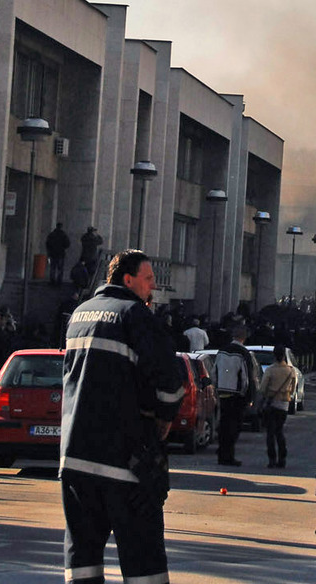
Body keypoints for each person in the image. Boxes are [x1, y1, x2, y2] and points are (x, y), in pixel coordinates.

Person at [60, 249, 185, 584]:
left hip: (76, 459)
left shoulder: (80, 314)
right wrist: (164, 418)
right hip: (126, 461)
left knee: (82, 557)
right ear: (128, 280)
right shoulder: (136, 315)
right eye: (148, 279)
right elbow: (170, 383)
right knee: (144, 559)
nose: (152, 287)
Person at [214, 320, 255, 465]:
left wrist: (216, 387)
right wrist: (248, 396)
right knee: (234, 426)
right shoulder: (244, 353)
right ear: (244, 337)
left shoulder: (222, 351)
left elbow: (214, 371)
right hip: (237, 395)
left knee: (224, 424)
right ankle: (229, 455)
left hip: (222, 392)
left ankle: (222, 453)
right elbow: (246, 378)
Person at [256, 346, 299, 468]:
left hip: (271, 403)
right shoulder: (291, 371)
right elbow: (293, 389)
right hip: (284, 403)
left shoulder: (270, 370)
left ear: (274, 356)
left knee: (270, 432)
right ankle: (282, 458)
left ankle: (272, 459)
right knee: (279, 431)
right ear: (284, 355)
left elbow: (262, 388)